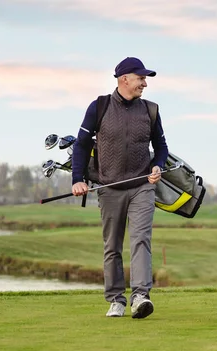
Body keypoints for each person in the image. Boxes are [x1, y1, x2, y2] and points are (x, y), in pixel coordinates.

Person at [71, 57, 169, 319]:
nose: (145, 84)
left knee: (140, 240)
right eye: (141, 78)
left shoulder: (150, 110)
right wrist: (77, 179)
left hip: (142, 187)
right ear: (124, 79)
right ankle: (116, 299)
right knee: (112, 245)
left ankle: (140, 296)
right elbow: (81, 145)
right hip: (109, 187)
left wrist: (157, 166)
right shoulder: (99, 106)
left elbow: (161, 148)